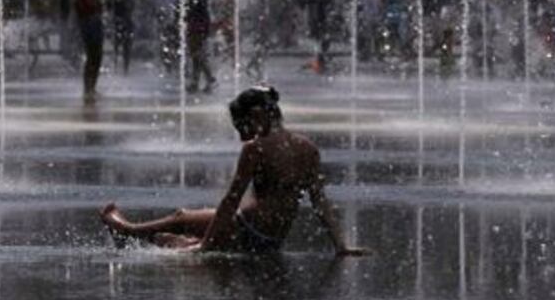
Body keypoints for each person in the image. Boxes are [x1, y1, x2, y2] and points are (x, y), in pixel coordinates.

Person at [100, 85, 368, 255]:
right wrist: (341, 245)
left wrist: (207, 245)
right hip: (273, 240)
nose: (241, 136)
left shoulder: (256, 148)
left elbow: (231, 199)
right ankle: (179, 241)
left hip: (247, 230)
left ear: (257, 116)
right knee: (185, 230)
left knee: (181, 221)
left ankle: (129, 231)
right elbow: (320, 201)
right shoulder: (308, 148)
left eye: (242, 126)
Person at [72, 0, 104, 101]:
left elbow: (99, 6)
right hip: (87, 24)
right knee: (91, 55)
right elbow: (89, 6)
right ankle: (87, 89)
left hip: (95, 23)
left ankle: (93, 87)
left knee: (98, 56)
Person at [185, 0, 216, 93]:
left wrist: (187, 15)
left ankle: (210, 78)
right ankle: (195, 82)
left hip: (196, 20)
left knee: (195, 52)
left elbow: (194, 3)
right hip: (203, 19)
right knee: (197, 52)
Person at [111, 0, 134, 76]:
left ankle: (120, 68)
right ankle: (123, 68)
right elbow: (131, 5)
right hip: (123, 20)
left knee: (121, 45)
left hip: (121, 20)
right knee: (124, 45)